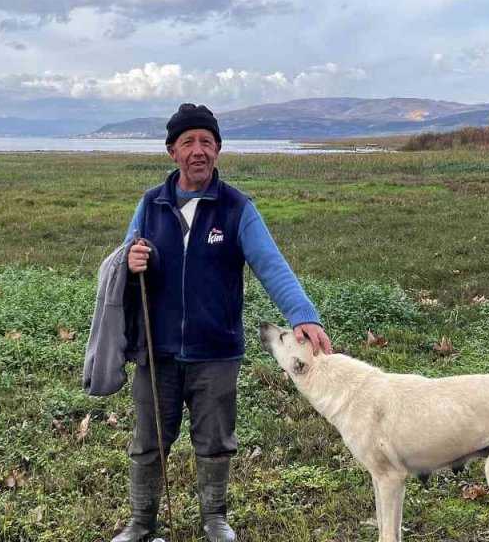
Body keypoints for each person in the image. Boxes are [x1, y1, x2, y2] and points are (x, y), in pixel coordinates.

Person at [112, 103, 332, 542]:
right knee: (149, 441)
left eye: (207, 142)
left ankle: (215, 520)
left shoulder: (236, 208)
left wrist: (303, 315)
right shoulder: (150, 205)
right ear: (171, 151)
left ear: (218, 151)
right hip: (157, 351)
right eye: (188, 142)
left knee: (215, 440)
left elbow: (272, 266)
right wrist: (131, 259)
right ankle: (140, 523)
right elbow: (122, 260)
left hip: (216, 349)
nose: (198, 151)